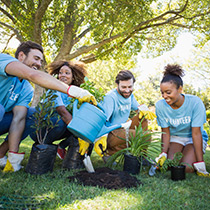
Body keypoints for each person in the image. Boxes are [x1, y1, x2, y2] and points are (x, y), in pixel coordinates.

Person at [0, 41, 96, 172]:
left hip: (3, 119)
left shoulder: (26, 89)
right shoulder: (4, 60)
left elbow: (18, 120)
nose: (39, 64)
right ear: (21, 56)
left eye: (40, 60)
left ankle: (2, 155)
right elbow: (33, 75)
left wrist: (13, 157)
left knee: (30, 114)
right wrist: (73, 91)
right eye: (36, 58)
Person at [82, 70, 156, 160]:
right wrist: (100, 138)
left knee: (143, 117)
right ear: (117, 85)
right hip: (110, 133)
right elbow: (102, 120)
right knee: (143, 136)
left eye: (130, 87)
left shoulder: (129, 96)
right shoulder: (110, 98)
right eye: (124, 87)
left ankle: (141, 156)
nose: (127, 90)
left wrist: (144, 109)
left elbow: (138, 108)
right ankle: (109, 152)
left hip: (123, 129)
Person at [29, 60, 88, 169]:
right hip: (41, 130)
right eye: (61, 73)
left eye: (67, 73)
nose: (63, 75)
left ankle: (62, 147)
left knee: (78, 122)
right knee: (64, 121)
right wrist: (80, 133)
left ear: (73, 77)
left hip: (58, 128)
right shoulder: (54, 89)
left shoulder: (74, 93)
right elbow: (62, 111)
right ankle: (46, 146)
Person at [155, 64, 209, 176]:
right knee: (170, 164)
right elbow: (165, 132)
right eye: (162, 93)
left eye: (168, 92)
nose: (164, 96)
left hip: (193, 138)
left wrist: (200, 163)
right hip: (176, 138)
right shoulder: (160, 106)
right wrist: (163, 154)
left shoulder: (195, 103)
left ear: (180, 89)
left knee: (187, 168)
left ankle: (194, 159)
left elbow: (196, 133)